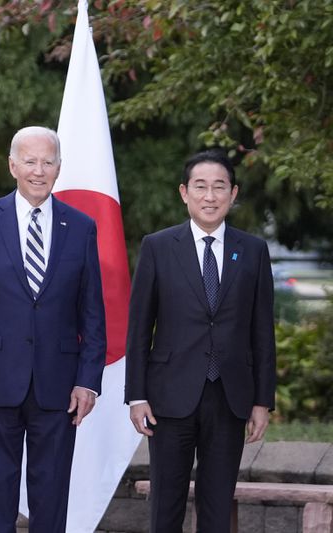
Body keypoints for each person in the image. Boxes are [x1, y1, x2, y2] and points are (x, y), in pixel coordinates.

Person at [0, 126, 106, 532]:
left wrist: (88, 381)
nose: (39, 170)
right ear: (12, 166)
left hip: (59, 386)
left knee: (51, 497)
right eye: (30, 161)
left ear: (58, 167)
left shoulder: (81, 227)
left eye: (48, 161)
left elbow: (92, 314)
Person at [125, 150, 276, 532]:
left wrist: (262, 400)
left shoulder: (254, 251)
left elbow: (262, 331)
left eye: (219, 187)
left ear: (233, 192)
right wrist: (137, 394)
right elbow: (140, 327)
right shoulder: (158, 247)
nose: (210, 196)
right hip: (169, 397)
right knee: (166, 504)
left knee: (217, 504)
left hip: (230, 396)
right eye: (201, 187)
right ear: (184, 192)